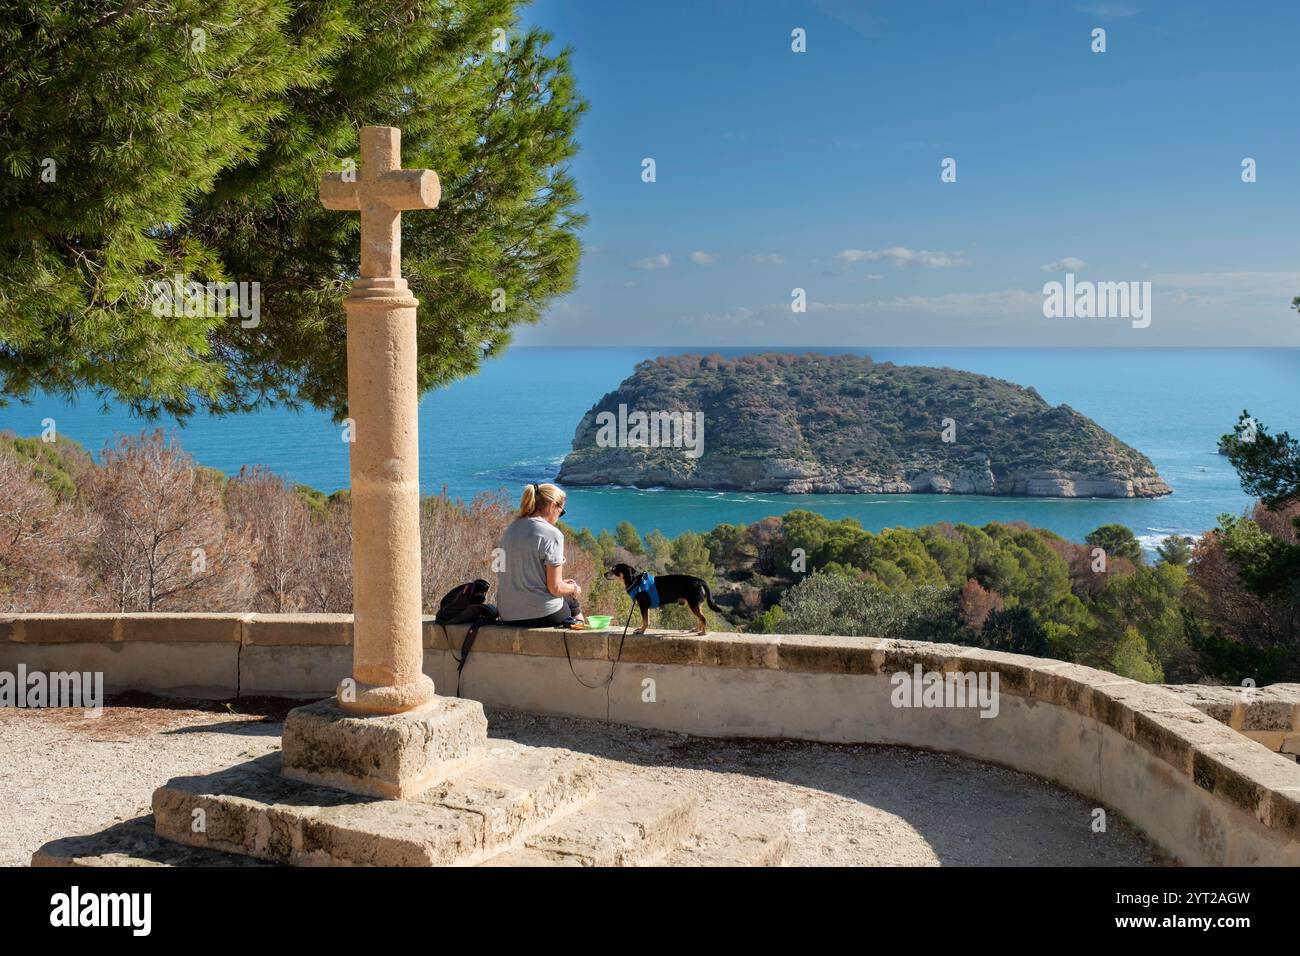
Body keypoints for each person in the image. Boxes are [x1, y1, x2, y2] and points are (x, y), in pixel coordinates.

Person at [494, 482, 586, 627]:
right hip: (542, 613)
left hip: (507, 613)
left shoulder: (510, 529)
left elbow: (504, 572)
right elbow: (555, 588)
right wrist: (574, 588)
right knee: (572, 601)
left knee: (567, 600)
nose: (559, 516)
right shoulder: (552, 534)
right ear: (552, 505)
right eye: (561, 512)